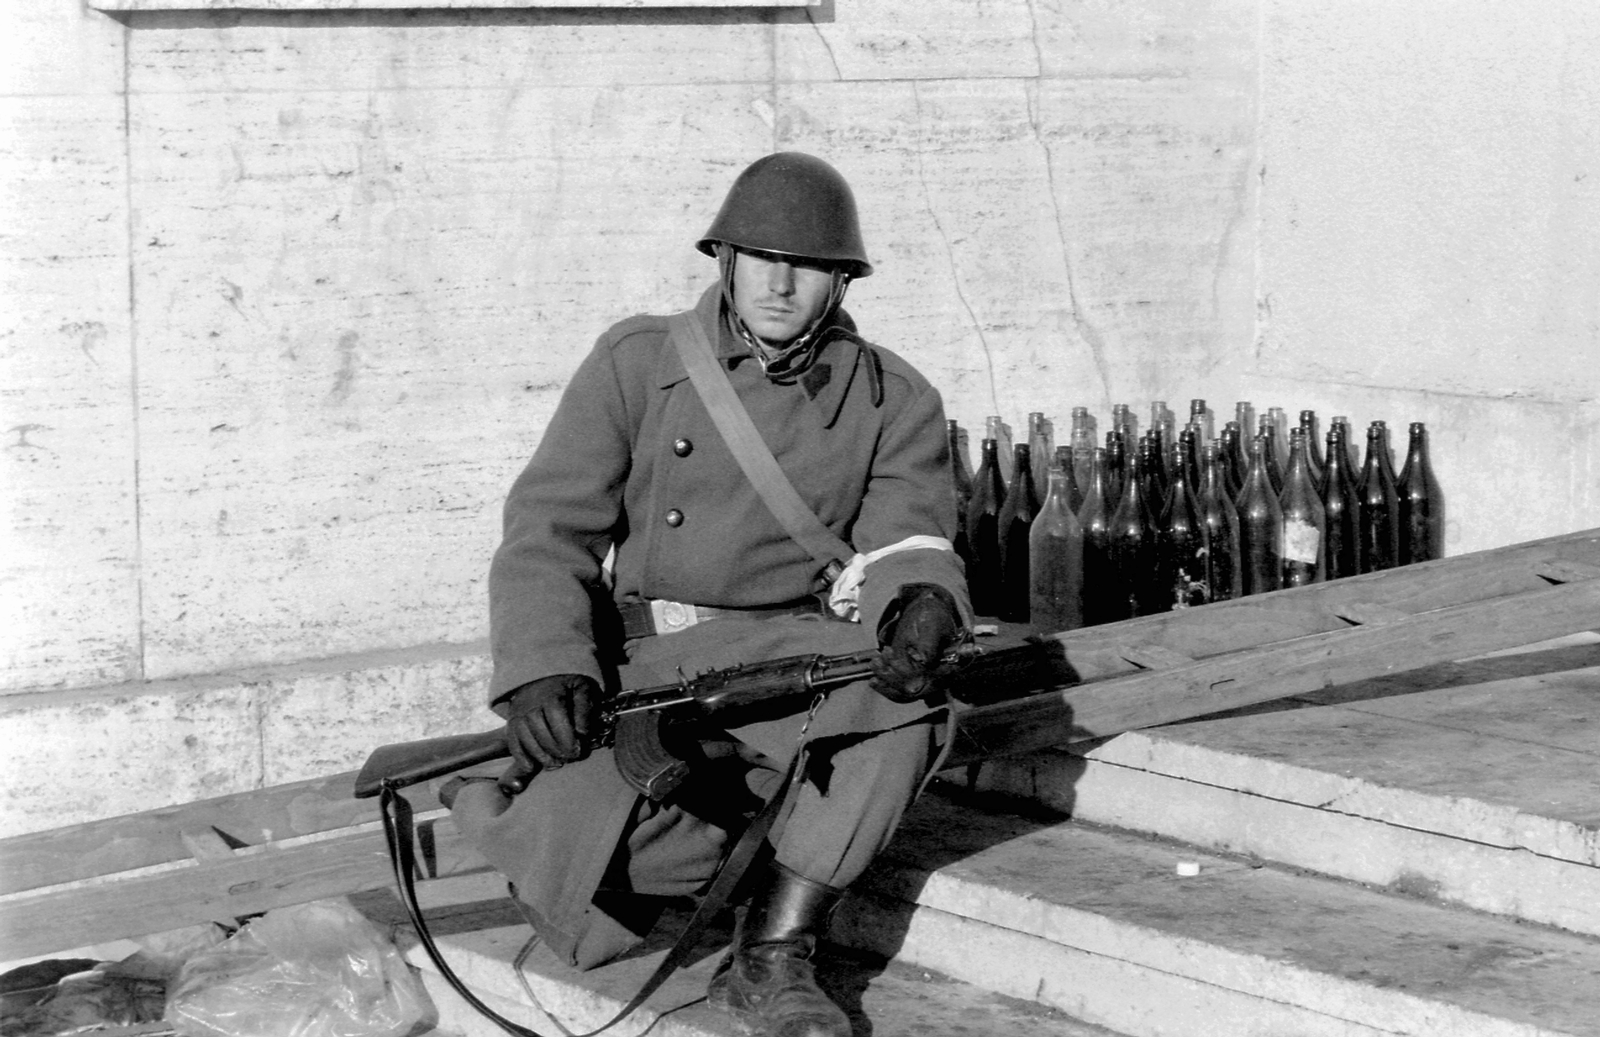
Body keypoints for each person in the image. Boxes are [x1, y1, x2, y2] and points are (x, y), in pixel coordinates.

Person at [449, 152, 972, 1037]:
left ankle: (772, 958)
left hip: (799, 660)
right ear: (724, 258)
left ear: (840, 279)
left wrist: (918, 600)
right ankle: (758, 832)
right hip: (656, 662)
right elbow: (548, 529)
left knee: (906, 710)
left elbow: (908, 538)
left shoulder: (893, 396)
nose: (778, 282)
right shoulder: (638, 362)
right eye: (759, 257)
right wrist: (544, 665)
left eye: (805, 265)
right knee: (602, 890)